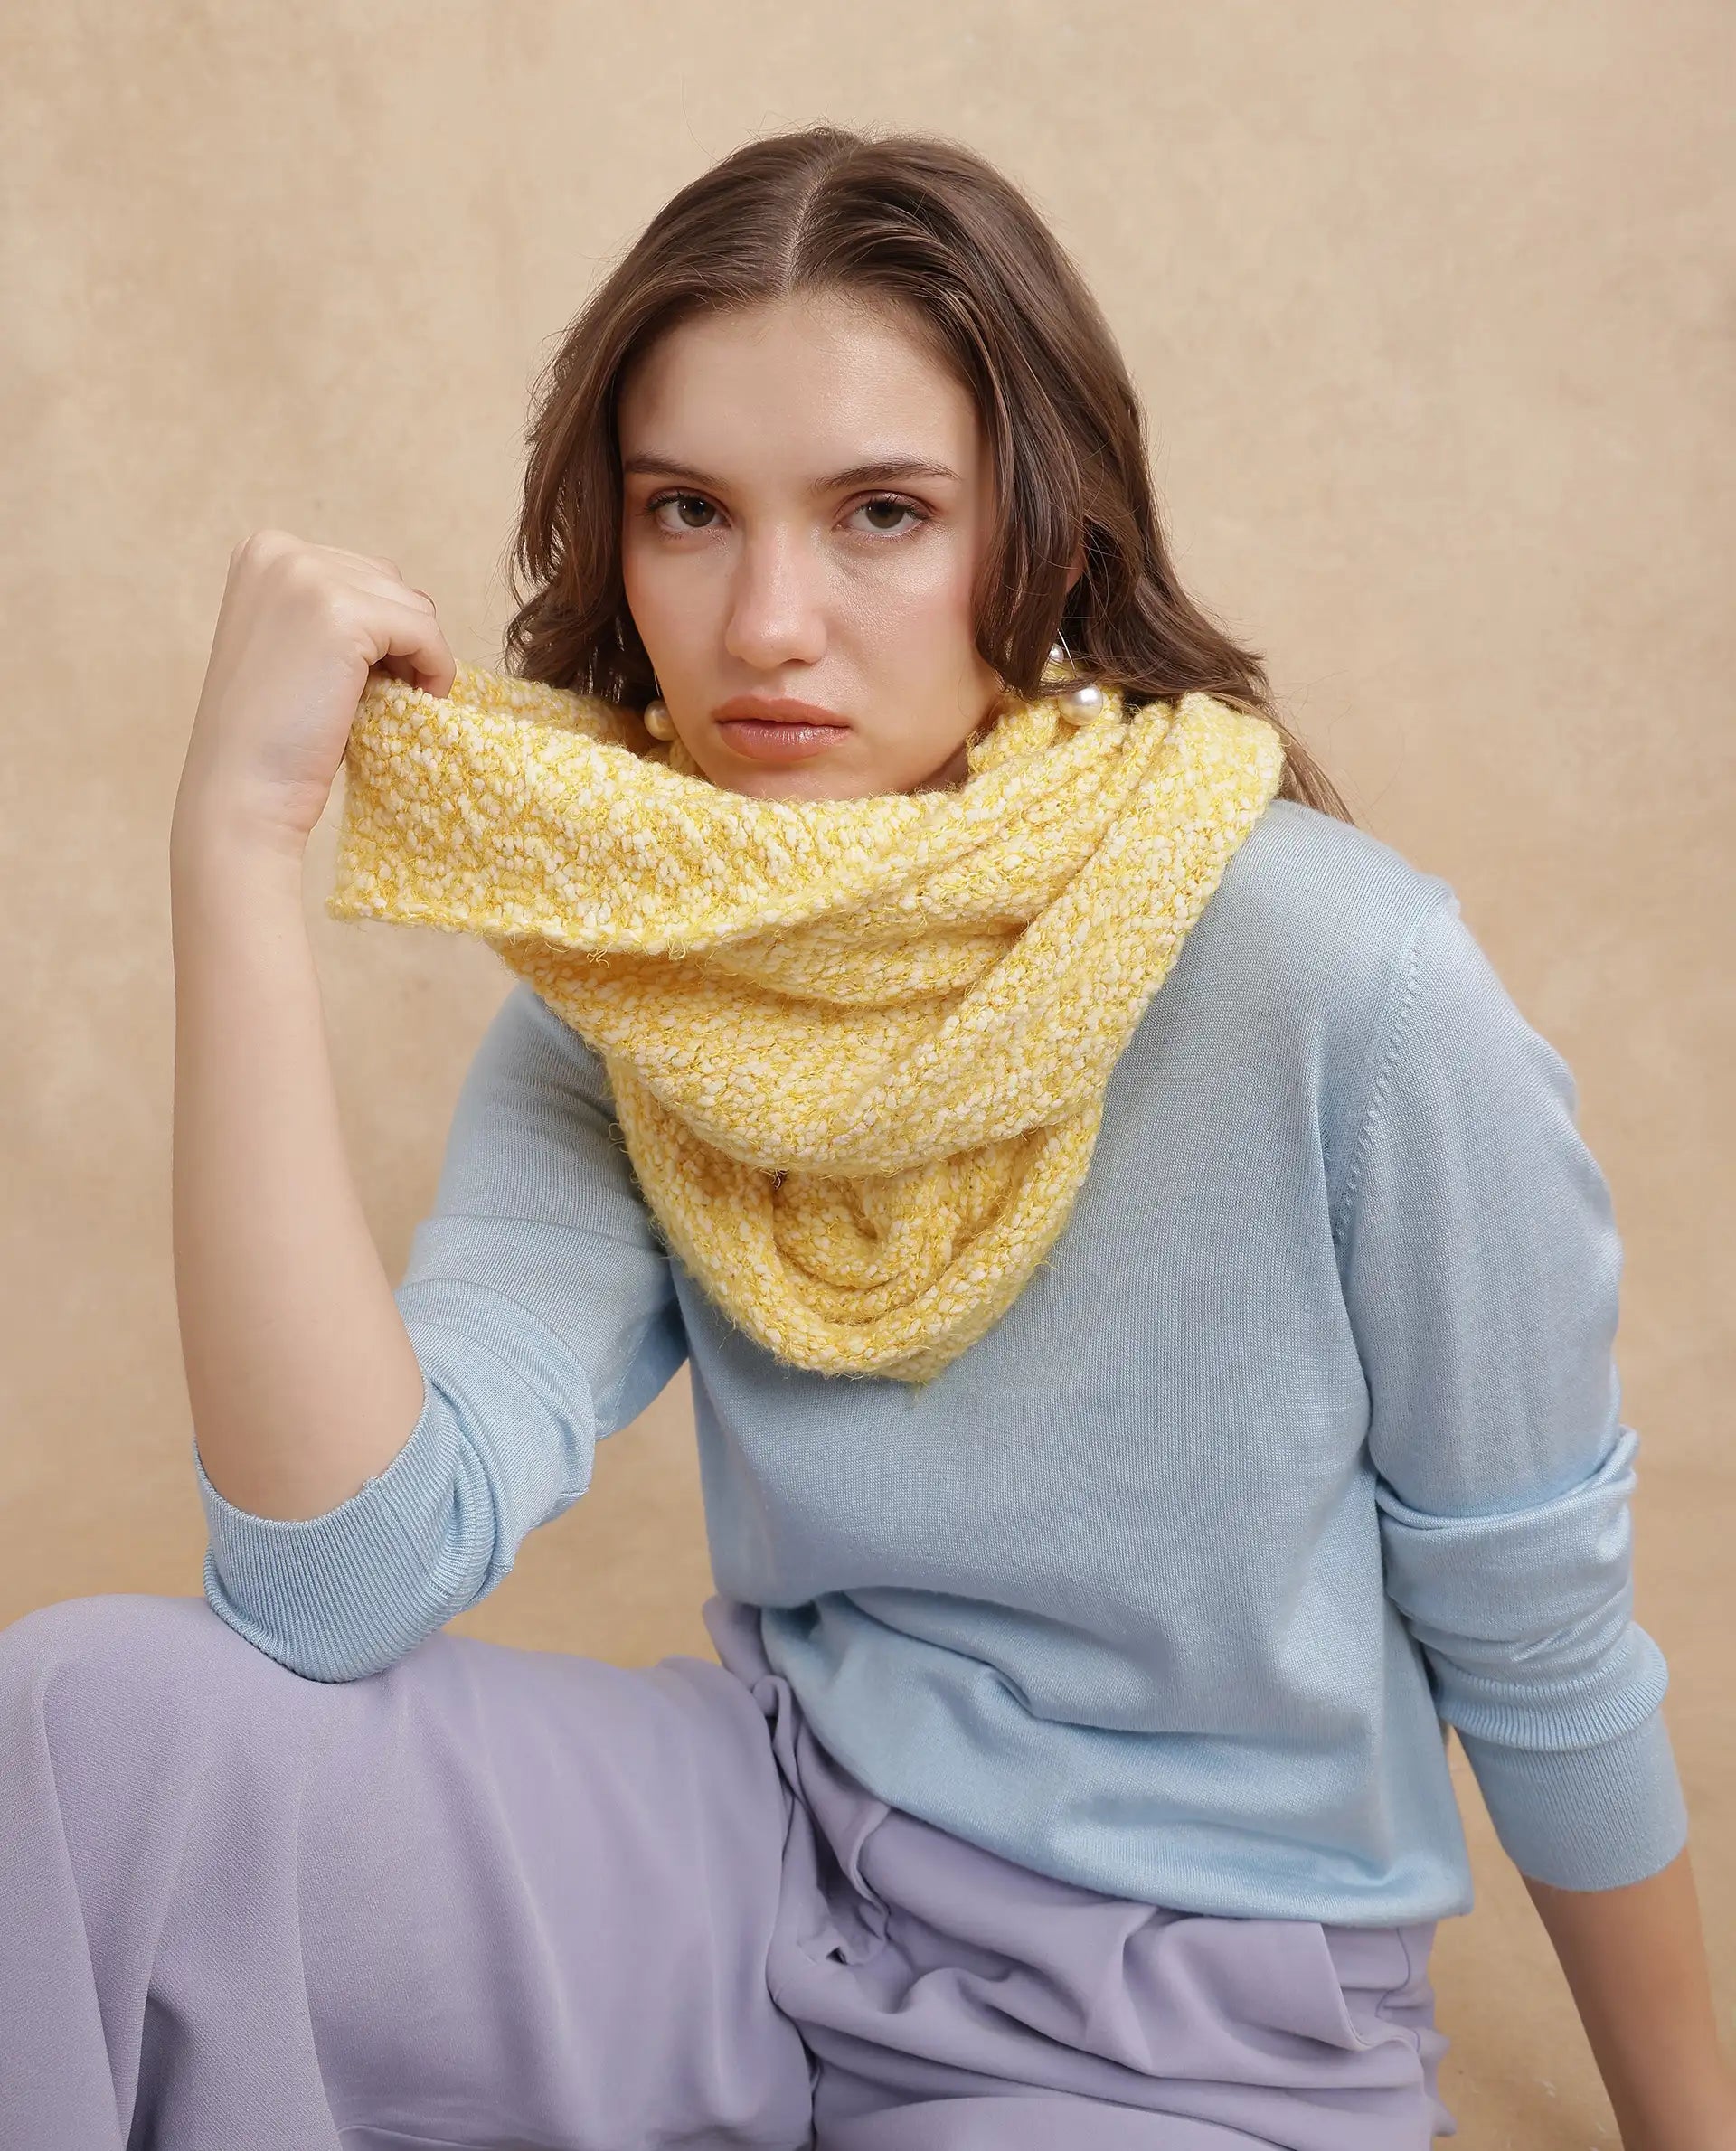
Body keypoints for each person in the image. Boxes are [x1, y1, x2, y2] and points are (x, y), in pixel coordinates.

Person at [1, 126, 1728, 2151]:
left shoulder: (1349, 979)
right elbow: (339, 1581)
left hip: (1181, 2016)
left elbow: (1541, 1645)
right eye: (688, 511)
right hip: (756, 1864)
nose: (766, 623)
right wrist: (232, 846)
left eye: (882, 514)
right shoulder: (644, 984)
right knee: (82, 1725)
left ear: (1049, 538)